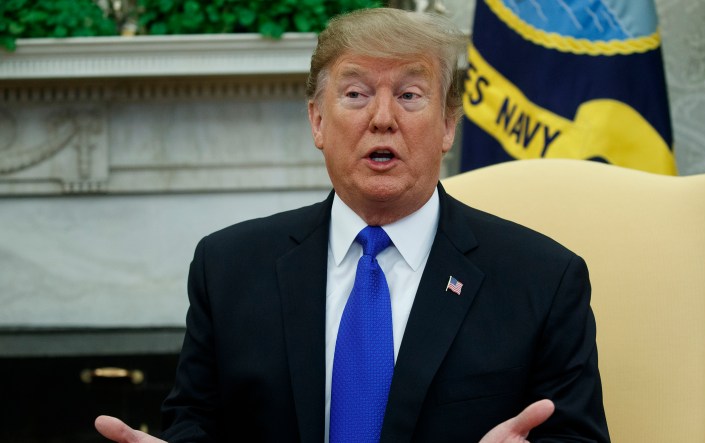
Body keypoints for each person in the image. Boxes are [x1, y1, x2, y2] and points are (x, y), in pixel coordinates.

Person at [95, 7, 609, 443]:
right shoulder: (227, 268)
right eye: (356, 94)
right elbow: (195, 425)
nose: (382, 118)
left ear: (449, 124)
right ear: (318, 120)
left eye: (409, 95)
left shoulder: (542, 280)